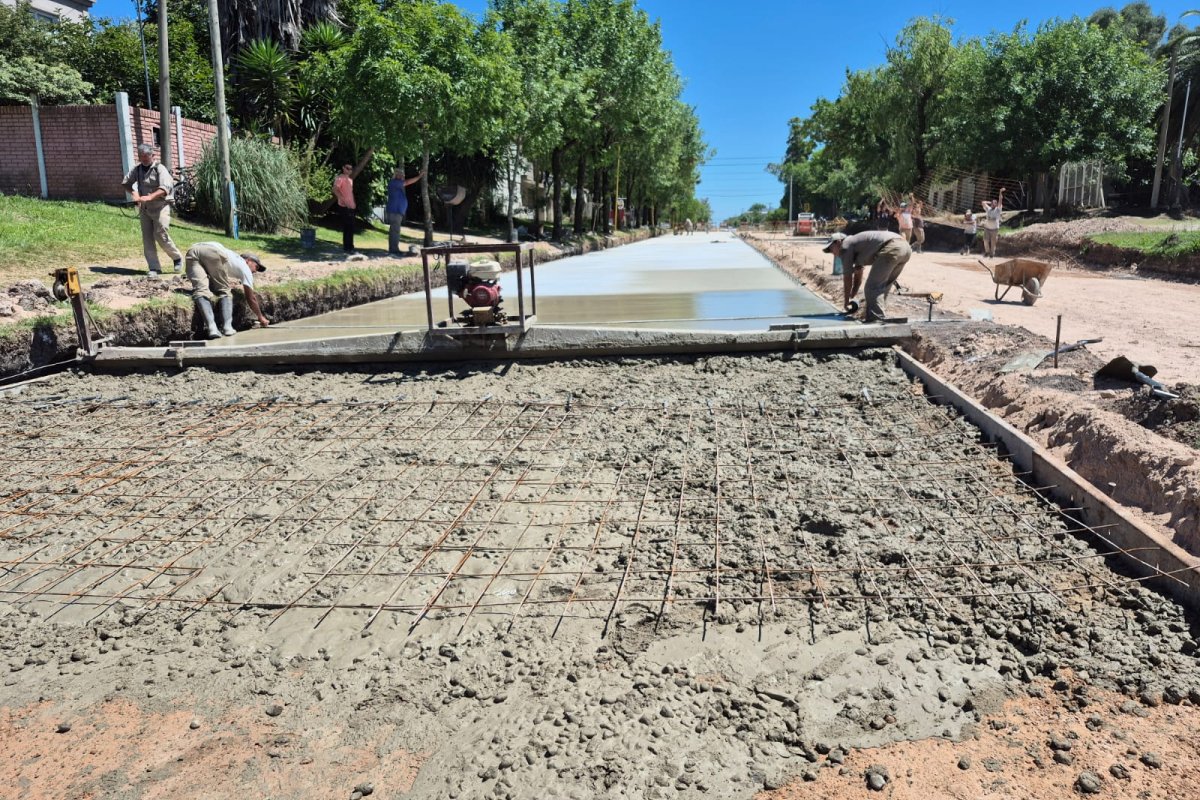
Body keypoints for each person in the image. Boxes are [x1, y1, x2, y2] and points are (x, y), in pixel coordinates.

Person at [183, 242, 269, 339]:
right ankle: (227, 328)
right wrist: (260, 317)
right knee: (225, 291)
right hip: (212, 251)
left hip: (193, 251)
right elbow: (251, 298)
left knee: (201, 291)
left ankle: (212, 328)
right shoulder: (245, 267)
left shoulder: (233, 258)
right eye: (256, 267)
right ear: (248, 261)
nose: (256, 271)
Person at [120, 143, 182, 277]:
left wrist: (150, 197)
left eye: (146, 156)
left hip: (160, 207)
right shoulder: (137, 169)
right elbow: (126, 183)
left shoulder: (160, 168)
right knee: (147, 238)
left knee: (160, 234)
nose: (144, 159)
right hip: (145, 209)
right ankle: (154, 268)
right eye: (141, 156)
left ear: (152, 155)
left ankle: (176, 257)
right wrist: (134, 193)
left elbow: (165, 188)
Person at [823, 230, 912, 322]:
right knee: (884, 286)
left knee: (872, 287)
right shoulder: (857, 244)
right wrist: (853, 294)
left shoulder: (845, 246)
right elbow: (858, 274)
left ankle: (876, 318)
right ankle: (880, 316)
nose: (832, 253)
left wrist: (846, 302)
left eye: (831, 249)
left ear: (838, 242)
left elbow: (847, 278)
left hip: (892, 247)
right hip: (905, 248)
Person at [386, 168, 424, 255]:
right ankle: (394, 249)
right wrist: (419, 177)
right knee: (395, 230)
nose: (402, 176)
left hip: (396, 211)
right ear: (396, 175)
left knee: (395, 230)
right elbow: (407, 182)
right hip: (395, 211)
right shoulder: (394, 182)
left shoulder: (396, 184)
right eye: (401, 175)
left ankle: (393, 248)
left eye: (403, 175)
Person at [333, 164, 357, 253]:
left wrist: (353, 203)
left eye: (351, 169)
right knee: (347, 226)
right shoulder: (340, 178)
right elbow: (335, 189)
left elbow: (350, 193)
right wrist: (342, 200)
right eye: (347, 168)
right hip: (344, 206)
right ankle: (347, 247)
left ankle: (350, 247)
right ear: (343, 168)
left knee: (351, 226)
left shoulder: (350, 180)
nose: (349, 170)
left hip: (351, 206)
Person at [981, 186, 1005, 258]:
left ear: (996, 204)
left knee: (993, 242)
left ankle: (992, 254)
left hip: (994, 229)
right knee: (985, 240)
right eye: (992, 203)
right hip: (987, 228)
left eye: (994, 203)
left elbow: (1000, 200)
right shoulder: (988, 209)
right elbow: (983, 202)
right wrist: (988, 202)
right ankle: (987, 252)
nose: (993, 204)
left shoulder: (998, 210)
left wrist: (1000, 192)